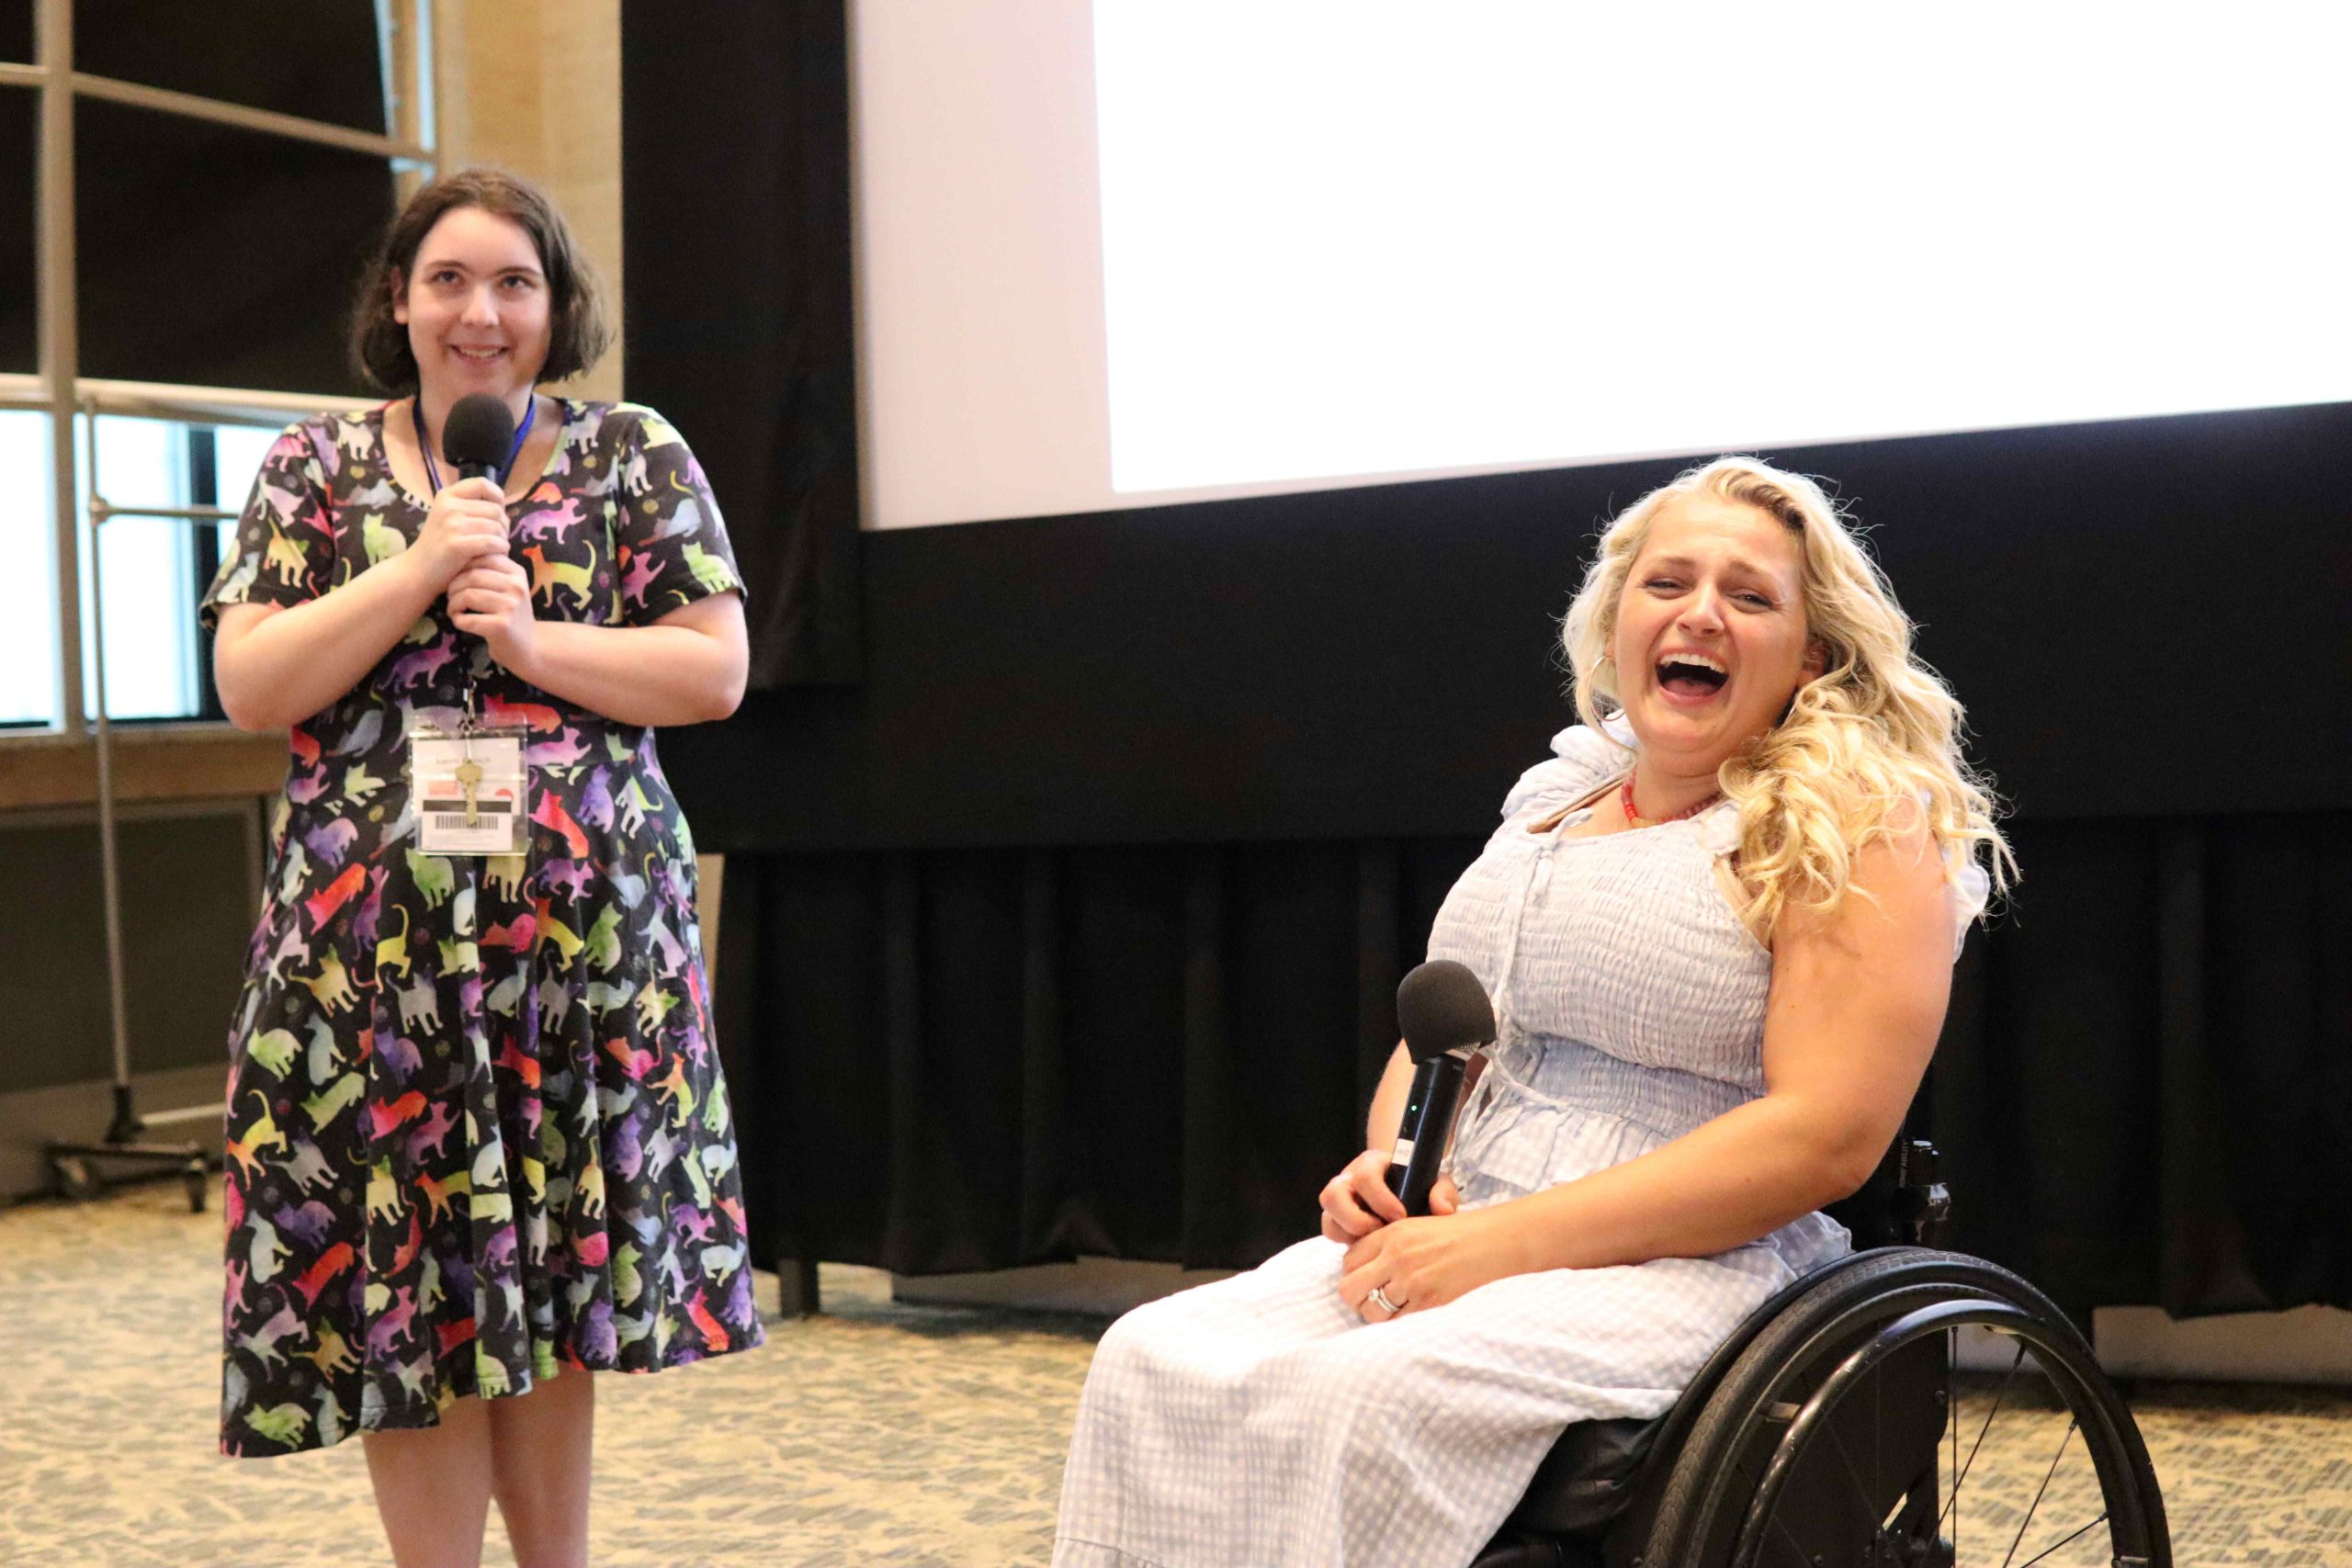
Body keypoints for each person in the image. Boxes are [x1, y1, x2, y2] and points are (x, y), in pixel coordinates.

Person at [1052, 456, 2011, 1567]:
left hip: (1687, 1258)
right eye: (1667, 584)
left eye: (1748, 597)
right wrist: (1393, 1170)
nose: (1699, 612)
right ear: (1615, 625)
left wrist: (1502, 1248)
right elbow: (1449, 1033)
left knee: (1368, 1403)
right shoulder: (1559, 797)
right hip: (1468, 1220)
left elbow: (1827, 1134)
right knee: (1153, 1357)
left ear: (1812, 655)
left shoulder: (1855, 825)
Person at [204, 167, 760, 1567]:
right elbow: (255, 679)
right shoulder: (313, 467)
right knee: (408, 1286)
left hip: (579, 970)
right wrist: (416, 569)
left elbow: (713, 668)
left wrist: (532, 646)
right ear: (398, 301)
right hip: (366, 977)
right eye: (448, 278)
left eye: (515, 281)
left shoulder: (632, 451)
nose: (480, 311)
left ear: (556, 307)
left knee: (554, 1284)